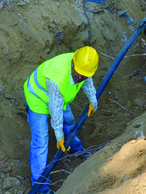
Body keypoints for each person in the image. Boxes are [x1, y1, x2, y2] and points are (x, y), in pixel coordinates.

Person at [23, 46, 99, 194]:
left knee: (69, 122)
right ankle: (40, 187)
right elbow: (55, 110)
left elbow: (87, 81)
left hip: (58, 98)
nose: (81, 77)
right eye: (79, 74)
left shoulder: (83, 66)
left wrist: (93, 100)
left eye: (85, 75)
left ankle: (76, 150)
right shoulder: (58, 77)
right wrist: (59, 136)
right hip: (37, 98)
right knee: (41, 141)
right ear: (73, 64)